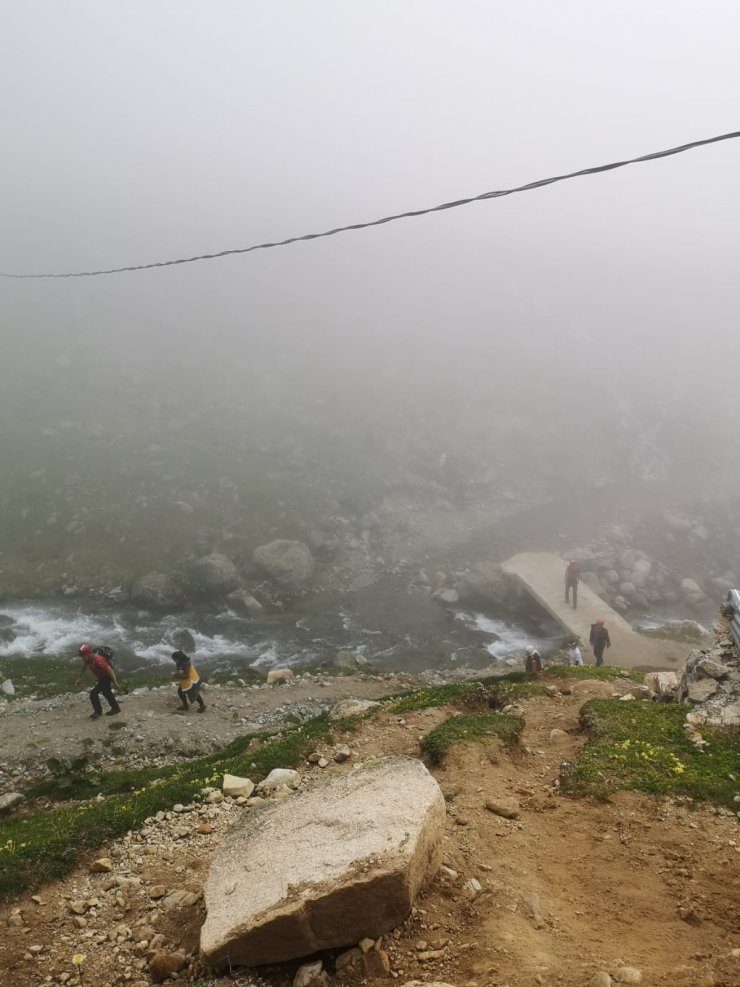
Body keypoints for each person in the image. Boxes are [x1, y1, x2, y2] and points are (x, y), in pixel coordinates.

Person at [76, 643, 121, 719]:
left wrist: (114, 682)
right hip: (101, 677)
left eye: (83, 656)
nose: (82, 658)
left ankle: (98, 712)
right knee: (107, 693)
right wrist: (80, 677)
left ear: (89, 654)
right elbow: (84, 666)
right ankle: (116, 708)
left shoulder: (98, 660)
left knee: (93, 694)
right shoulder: (88, 660)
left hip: (106, 677)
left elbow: (109, 670)